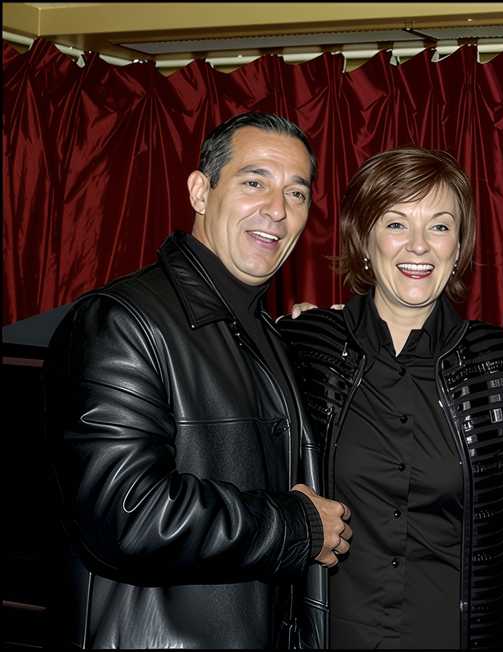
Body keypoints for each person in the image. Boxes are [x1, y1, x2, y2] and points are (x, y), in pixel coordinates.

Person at [44, 112, 353, 648]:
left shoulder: (264, 331)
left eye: (296, 194)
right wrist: (296, 527)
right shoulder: (121, 320)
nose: (277, 211)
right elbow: (128, 512)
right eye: (254, 182)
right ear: (200, 191)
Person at [278, 147, 503, 649]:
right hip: (330, 634)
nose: (419, 247)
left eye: (439, 226)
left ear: (459, 246)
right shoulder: (306, 344)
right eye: (395, 224)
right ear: (364, 240)